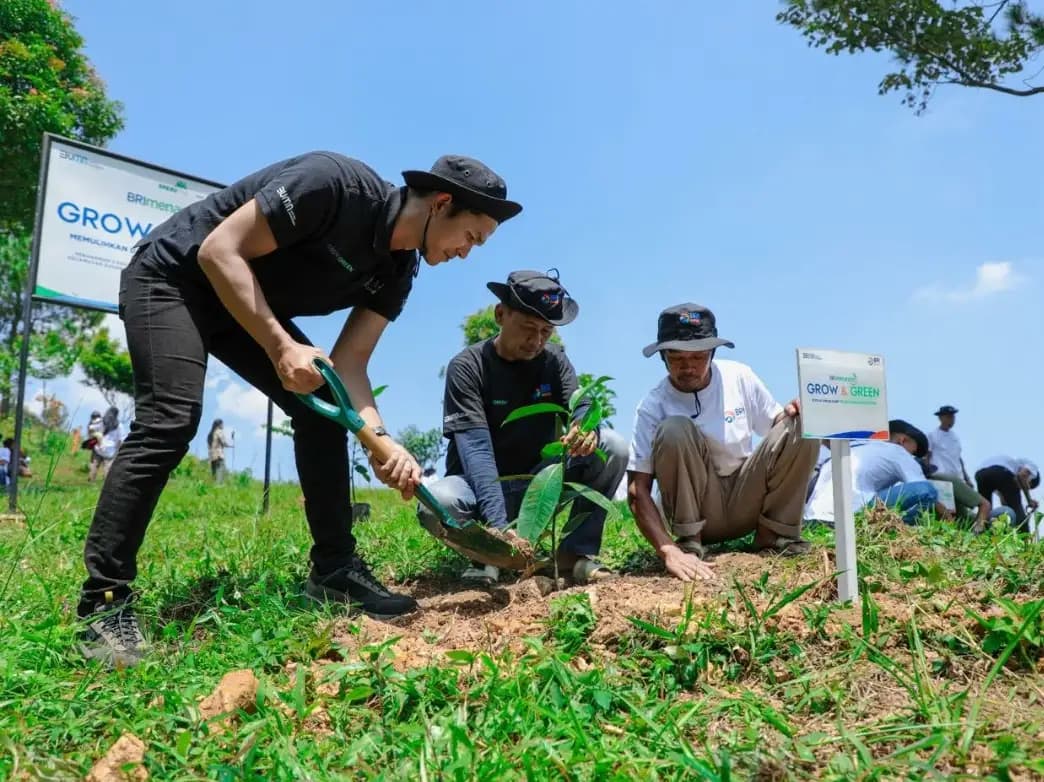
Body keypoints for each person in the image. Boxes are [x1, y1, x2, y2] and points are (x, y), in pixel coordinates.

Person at [77, 151, 521, 668]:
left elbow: (350, 365)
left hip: (240, 306)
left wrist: (381, 442)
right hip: (174, 277)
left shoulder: (397, 271)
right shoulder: (333, 186)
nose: (468, 253)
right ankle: (103, 603)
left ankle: (334, 574)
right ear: (442, 203)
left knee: (322, 407)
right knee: (171, 419)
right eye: (472, 237)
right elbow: (218, 252)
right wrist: (280, 346)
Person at [419, 270, 628, 585]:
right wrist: (499, 530)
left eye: (546, 331)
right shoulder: (467, 367)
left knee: (612, 446)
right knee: (437, 504)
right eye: (528, 328)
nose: (537, 341)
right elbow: (476, 451)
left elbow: (580, 402)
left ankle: (574, 556)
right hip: (478, 489)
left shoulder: (554, 360)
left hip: (538, 485)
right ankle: (486, 557)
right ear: (500, 315)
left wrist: (584, 426)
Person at [626, 304, 819, 583]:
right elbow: (637, 490)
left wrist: (797, 412)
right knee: (674, 429)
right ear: (663, 358)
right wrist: (668, 551)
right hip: (697, 509)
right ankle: (690, 542)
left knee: (802, 423)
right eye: (677, 358)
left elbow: (778, 426)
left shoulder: (739, 377)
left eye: (698, 357)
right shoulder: (652, 406)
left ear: (712, 353)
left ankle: (775, 535)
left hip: (747, 498)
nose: (688, 367)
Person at [805, 419, 948, 525]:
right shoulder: (898, 451)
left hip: (812, 519)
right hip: (849, 516)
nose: (913, 457)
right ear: (902, 440)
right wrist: (947, 516)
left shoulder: (853, 447)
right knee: (928, 491)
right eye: (914, 452)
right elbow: (922, 488)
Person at [974, 455, 1040, 533]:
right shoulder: (1033, 468)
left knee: (985, 510)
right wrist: (1029, 500)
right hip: (1001, 472)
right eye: (1026, 485)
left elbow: (1005, 501)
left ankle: (979, 534)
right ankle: (1025, 542)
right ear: (1031, 479)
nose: (1022, 488)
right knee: (1020, 516)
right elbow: (1022, 475)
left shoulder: (1012, 464)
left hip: (980, 474)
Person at [927, 405, 972, 484]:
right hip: (942, 477)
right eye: (948, 417)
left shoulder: (955, 437)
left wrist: (967, 478)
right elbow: (927, 456)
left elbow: (958, 458)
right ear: (940, 418)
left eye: (953, 417)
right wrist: (927, 475)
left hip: (958, 478)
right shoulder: (932, 435)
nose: (951, 420)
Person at [88, 407, 124, 483]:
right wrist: (118, 450)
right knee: (107, 470)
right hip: (110, 451)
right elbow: (120, 440)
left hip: (98, 448)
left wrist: (93, 435)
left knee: (94, 466)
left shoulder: (101, 421)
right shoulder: (119, 425)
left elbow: (91, 427)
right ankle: (104, 486)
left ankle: (90, 482)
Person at [206, 419, 234, 483]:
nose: (223, 425)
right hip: (219, 455)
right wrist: (231, 445)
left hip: (212, 456)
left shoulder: (210, 434)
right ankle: (218, 487)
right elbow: (223, 442)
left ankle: (214, 487)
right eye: (222, 424)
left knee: (214, 474)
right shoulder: (219, 431)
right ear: (219, 424)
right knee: (220, 474)